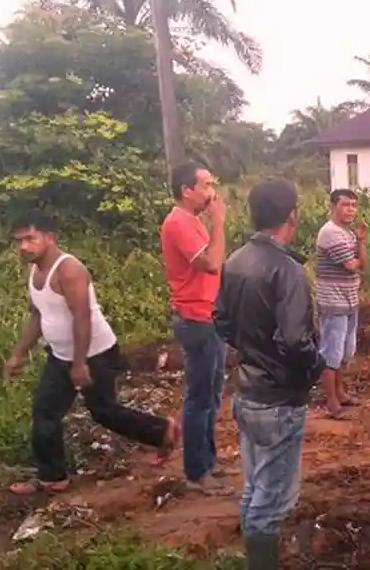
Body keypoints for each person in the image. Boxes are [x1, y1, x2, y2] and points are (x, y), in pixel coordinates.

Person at [1, 211, 180, 495]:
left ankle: (162, 430)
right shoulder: (36, 271)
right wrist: (18, 353)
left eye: (30, 239)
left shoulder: (68, 270)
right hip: (60, 355)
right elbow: (37, 314)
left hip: (94, 353)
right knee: (45, 412)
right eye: (19, 241)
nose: (24, 246)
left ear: (50, 237)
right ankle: (52, 477)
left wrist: (80, 362)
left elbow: (82, 317)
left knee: (104, 411)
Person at [215, 178, 326, 570]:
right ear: (292, 214)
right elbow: (296, 341)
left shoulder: (235, 260)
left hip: (247, 392)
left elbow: (221, 321)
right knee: (272, 497)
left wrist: (253, 350)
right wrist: (316, 367)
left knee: (255, 487)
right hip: (279, 399)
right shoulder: (287, 270)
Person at [160, 160, 232, 495]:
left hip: (210, 316)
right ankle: (195, 471)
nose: (211, 192)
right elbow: (212, 262)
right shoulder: (179, 223)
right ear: (186, 190)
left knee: (213, 394)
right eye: (205, 185)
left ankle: (208, 460)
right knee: (199, 398)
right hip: (196, 318)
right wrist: (218, 222)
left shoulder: (193, 221)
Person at [314, 188, 368, 419]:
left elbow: (361, 263)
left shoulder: (347, 234)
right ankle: (332, 403)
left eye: (354, 205)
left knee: (345, 351)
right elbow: (352, 265)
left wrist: (361, 241)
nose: (351, 210)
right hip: (333, 300)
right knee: (331, 353)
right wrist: (360, 245)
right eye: (345, 205)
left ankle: (340, 393)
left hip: (348, 299)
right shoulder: (331, 233)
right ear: (333, 206)